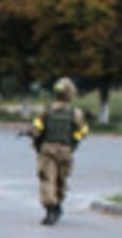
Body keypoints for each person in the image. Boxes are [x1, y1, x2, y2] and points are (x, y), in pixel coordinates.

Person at [29, 77, 89, 225]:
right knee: (59, 181)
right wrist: (73, 142)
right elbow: (83, 132)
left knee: (48, 180)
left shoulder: (46, 111)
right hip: (64, 150)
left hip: (48, 149)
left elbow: (36, 129)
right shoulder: (76, 113)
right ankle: (54, 207)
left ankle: (52, 207)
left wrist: (35, 139)